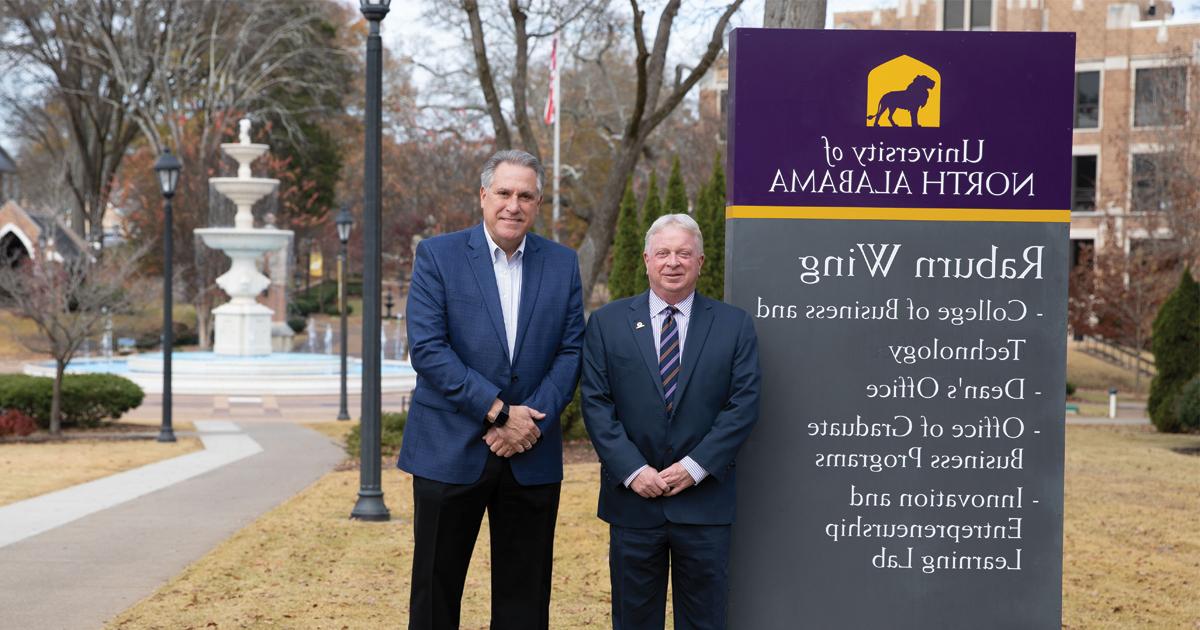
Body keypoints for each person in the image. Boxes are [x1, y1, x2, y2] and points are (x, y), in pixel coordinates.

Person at [399, 150, 584, 630]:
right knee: (435, 594)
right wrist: (500, 412)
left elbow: (570, 352)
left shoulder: (562, 264)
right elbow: (428, 348)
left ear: (538, 203)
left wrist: (527, 422)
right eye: (503, 193)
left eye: (525, 195)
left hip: (531, 453)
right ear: (483, 196)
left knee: (525, 599)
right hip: (449, 448)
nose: (513, 205)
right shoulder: (437, 256)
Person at [581, 213, 761, 630]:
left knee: (704, 620)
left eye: (684, 253)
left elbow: (744, 404)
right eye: (663, 252)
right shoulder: (607, 324)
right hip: (633, 503)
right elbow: (596, 403)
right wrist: (631, 470)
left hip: (704, 505)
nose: (673, 262)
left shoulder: (734, 326)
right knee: (634, 620)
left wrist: (695, 467)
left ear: (701, 261)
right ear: (646, 259)